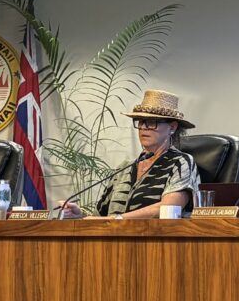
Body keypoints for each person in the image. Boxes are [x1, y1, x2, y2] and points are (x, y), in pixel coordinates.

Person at [61, 89, 201, 219]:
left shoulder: (181, 163)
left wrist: (118, 219)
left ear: (172, 127)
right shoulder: (125, 168)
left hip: (156, 242)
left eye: (151, 122)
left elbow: (170, 208)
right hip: (113, 243)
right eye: (140, 121)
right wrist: (80, 215)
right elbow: (101, 216)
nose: (143, 127)